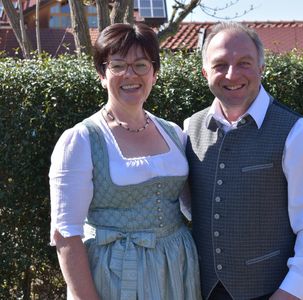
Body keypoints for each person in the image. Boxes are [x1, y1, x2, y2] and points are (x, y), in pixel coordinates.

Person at [184, 21, 303, 300]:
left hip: (272, 293)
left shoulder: (297, 132)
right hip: (203, 291)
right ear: (205, 71)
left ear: (261, 68)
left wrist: (289, 292)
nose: (232, 74)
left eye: (244, 63)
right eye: (220, 65)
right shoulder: (189, 128)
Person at [49, 23, 201, 300]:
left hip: (176, 268)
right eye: (118, 65)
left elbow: (194, 209)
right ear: (102, 74)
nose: (130, 74)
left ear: (154, 73)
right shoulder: (82, 140)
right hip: (114, 275)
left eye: (141, 65)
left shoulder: (174, 133)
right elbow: (66, 233)